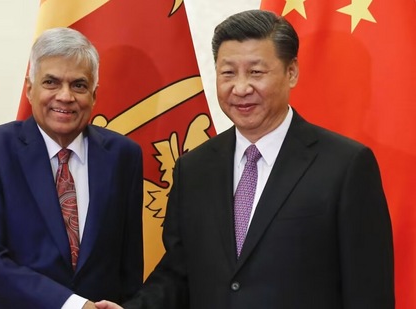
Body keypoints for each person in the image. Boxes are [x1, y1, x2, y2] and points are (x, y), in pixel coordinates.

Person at [95, 9, 394, 309]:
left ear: (291, 72)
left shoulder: (345, 165)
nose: (240, 88)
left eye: (255, 72)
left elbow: (368, 292)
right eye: (228, 73)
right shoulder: (194, 168)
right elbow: (178, 274)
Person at [0, 27, 144, 309]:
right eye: (51, 82)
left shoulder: (123, 156)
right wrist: (72, 305)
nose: (65, 96)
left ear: (94, 95)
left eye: (79, 85)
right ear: (30, 90)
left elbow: (128, 266)